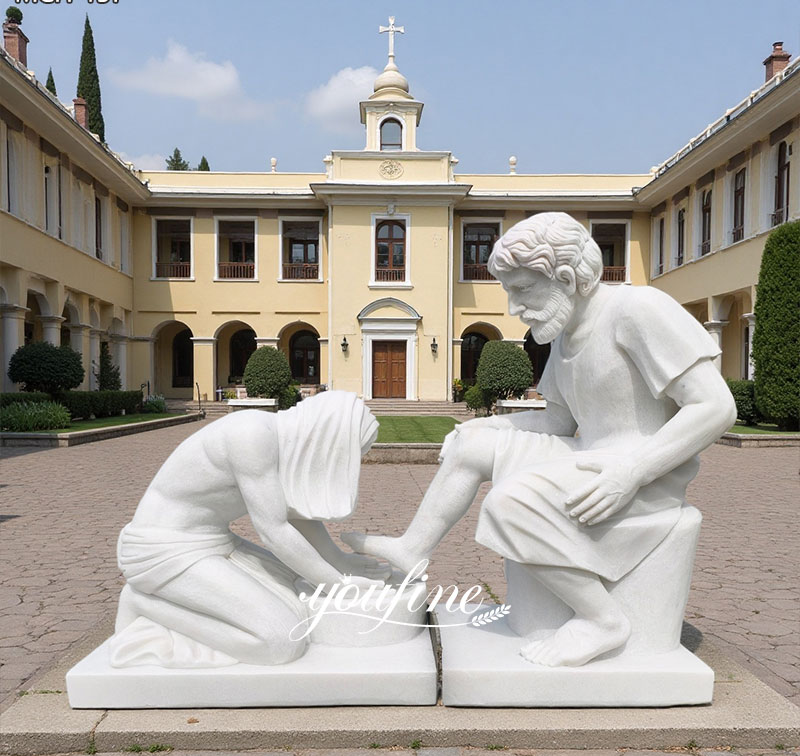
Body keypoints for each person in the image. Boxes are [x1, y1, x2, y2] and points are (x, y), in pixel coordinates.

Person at [344, 212, 736, 668]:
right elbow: (557, 421)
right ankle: (413, 546)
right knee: (471, 445)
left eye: (523, 289)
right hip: (593, 454)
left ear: (566, 279)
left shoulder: (638, 309)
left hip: (641, 472)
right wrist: (483, 428)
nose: (514, 307)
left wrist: (632, 472)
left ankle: (602, 620)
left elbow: (715, 406)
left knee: (509, 504)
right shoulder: (565, 335)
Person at [111, 391, 388, 668]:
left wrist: (338, 562)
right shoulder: (251, 436)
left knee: (297, 584)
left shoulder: (279, 441)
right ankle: (143, 604)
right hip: (164, 549)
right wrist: (336, 585)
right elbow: (274, 531)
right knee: (281, 641)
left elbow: (296, 516)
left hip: (212, 541)